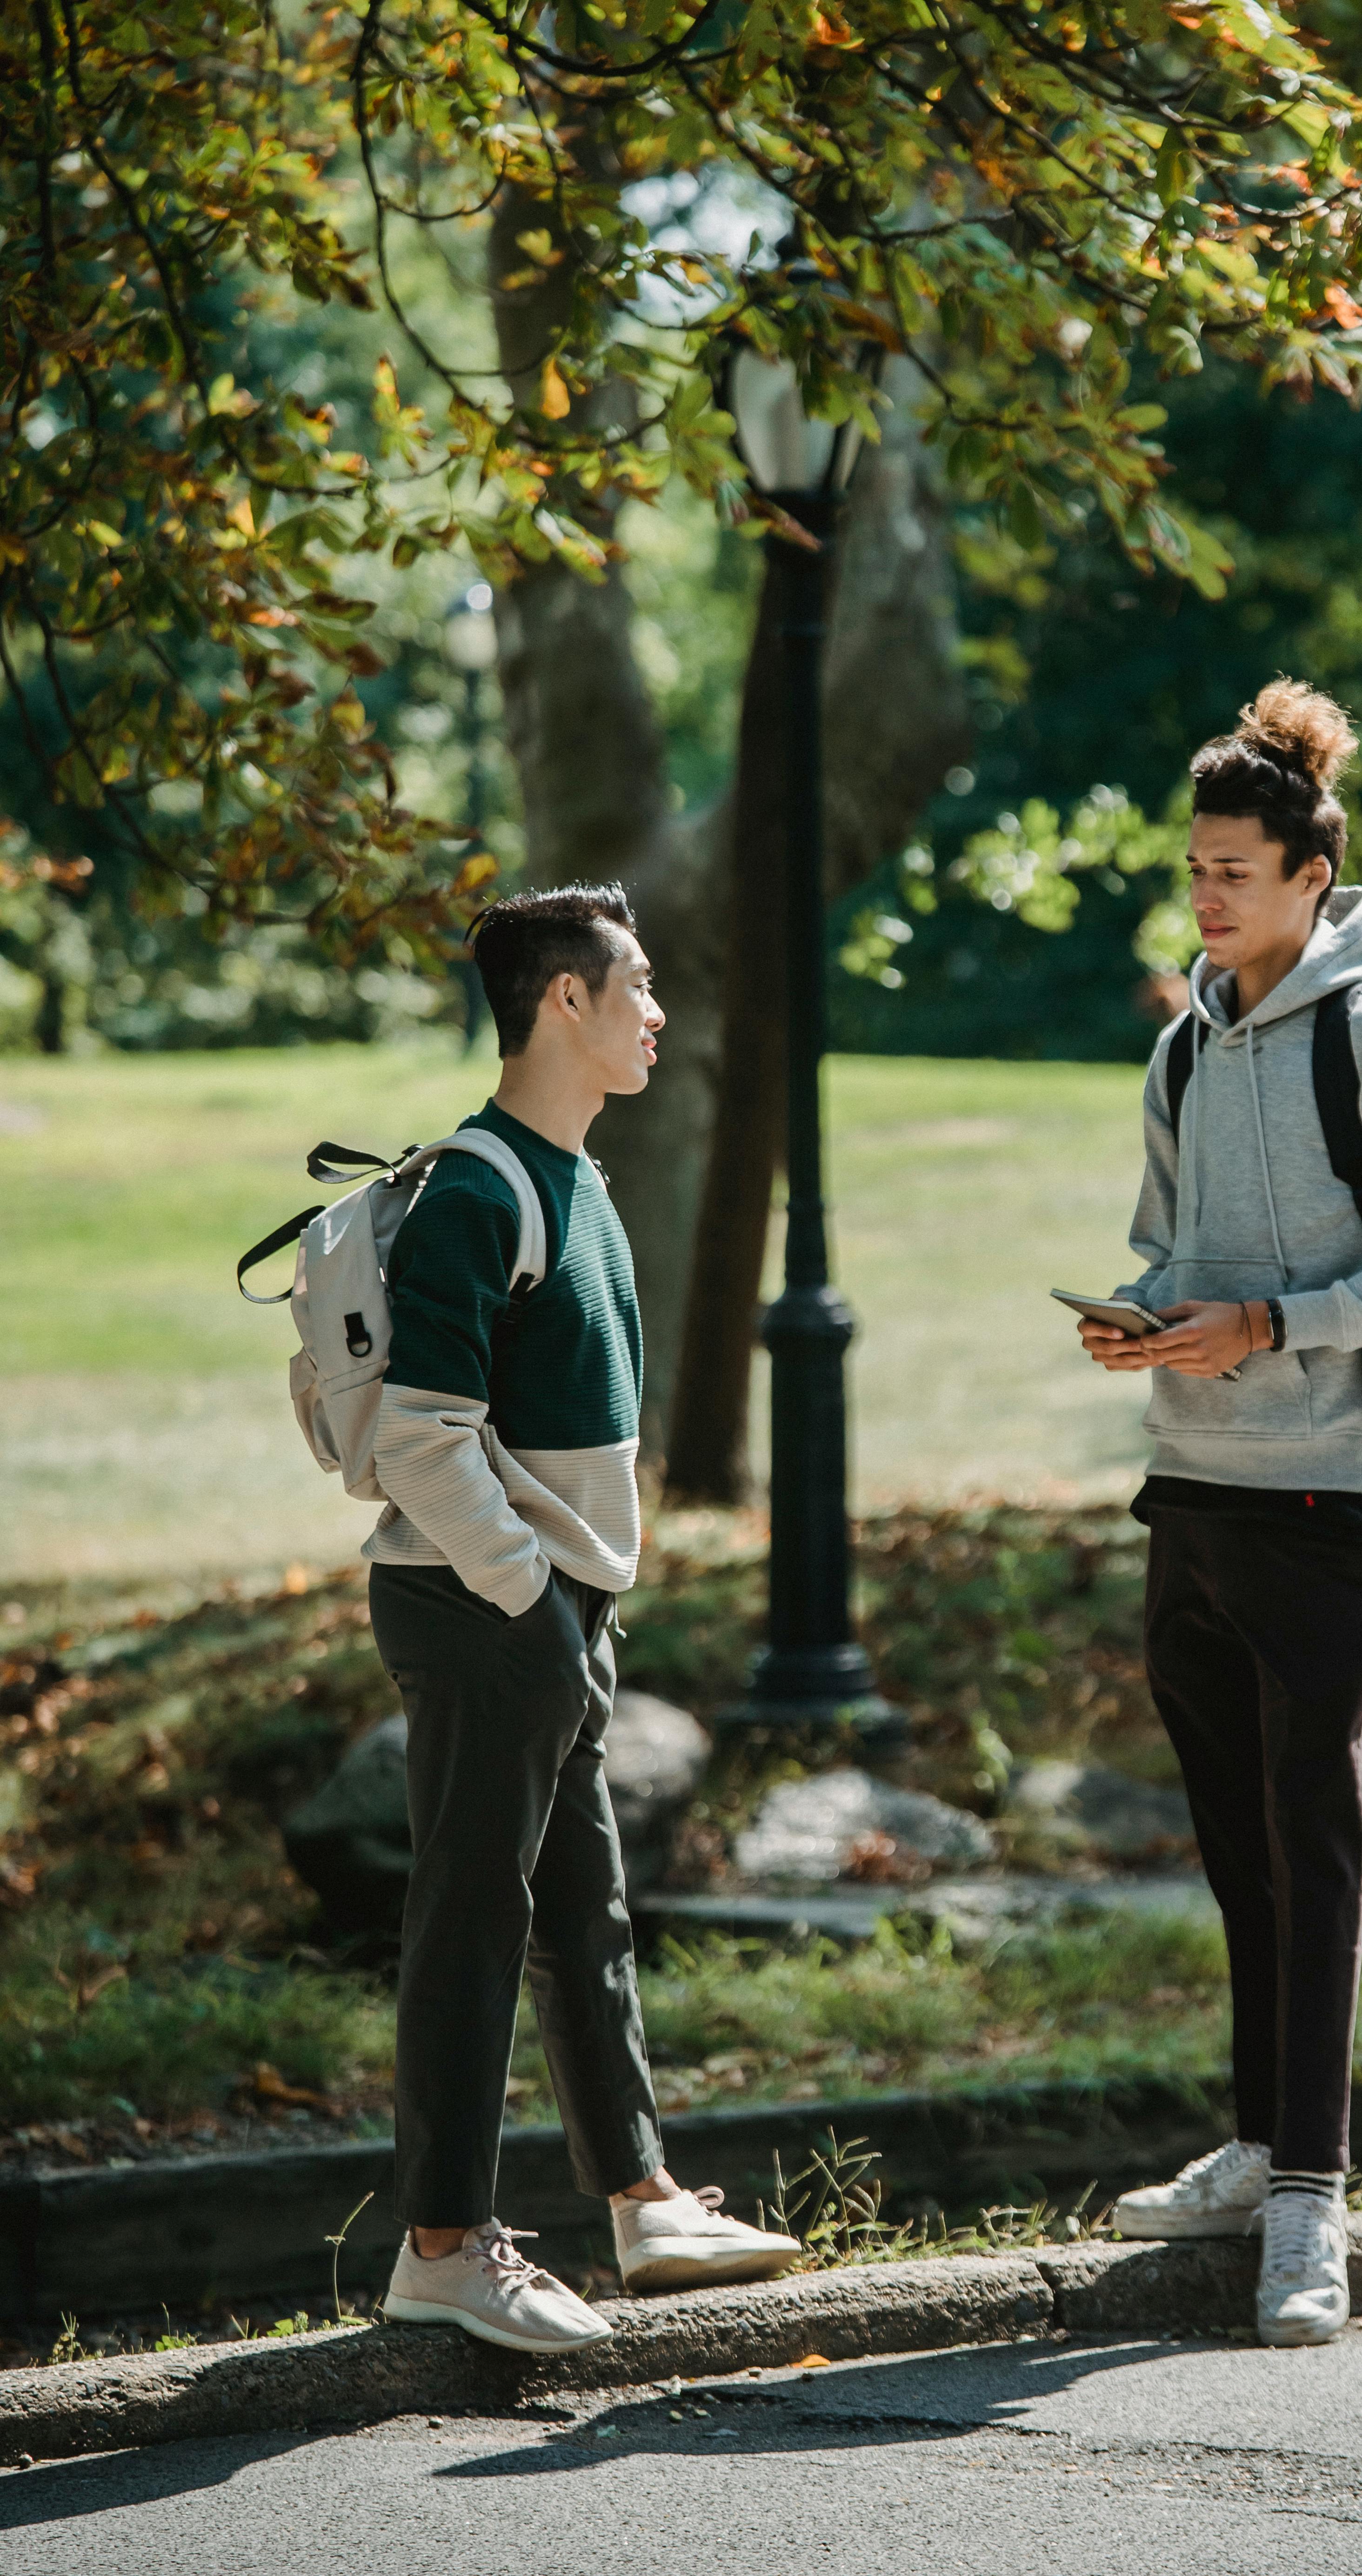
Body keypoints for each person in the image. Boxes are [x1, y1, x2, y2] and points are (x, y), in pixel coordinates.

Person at [1076, 684, 1362, 2348]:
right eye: (1195, 870)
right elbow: (1173, 1245)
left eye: (1238, 870)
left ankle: (1312, 2202)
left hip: (1326, 1490)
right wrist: (1143, 1313)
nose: (1210, 897)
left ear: (1315, 874)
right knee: (1238, 1843)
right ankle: (1257, 2147)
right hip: (1190, 1484)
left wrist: (1277, 1325)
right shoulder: (1184, 1042)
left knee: (1314, 1846)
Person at [368, 883, 799, 2354]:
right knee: (474, 1920)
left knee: (582, 1915)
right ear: (566, 1000)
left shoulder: (580, 1181)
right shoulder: (479, 1189)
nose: (659, 1012)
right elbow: (422, 1436)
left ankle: (642, 2198)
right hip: (486, 1608)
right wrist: (533, 1595)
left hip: (552, 1614)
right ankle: (441, 2243)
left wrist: (570, 1606)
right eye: (639, 985)